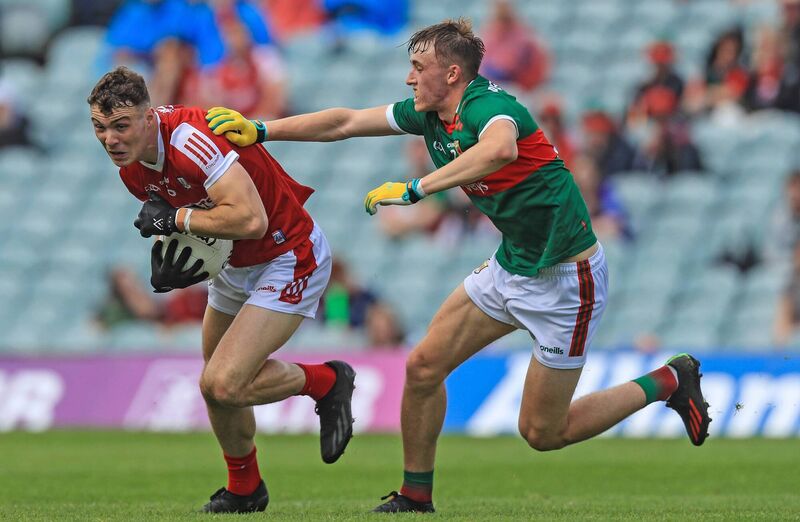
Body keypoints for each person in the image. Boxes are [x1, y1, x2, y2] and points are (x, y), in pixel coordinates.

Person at [206, 19, 711, 513]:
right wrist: (262, 130)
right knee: (423, 367)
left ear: (451, 73)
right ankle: (414, 496)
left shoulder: (490, 106)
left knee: (542, 433)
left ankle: (667, 381)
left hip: (566, 280)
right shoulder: (428, 113)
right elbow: (344, 122)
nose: (409, 78)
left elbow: (499, 149)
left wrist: (416, 187)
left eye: (418, 66)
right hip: (510, 265)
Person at [87, 66, 356, 514]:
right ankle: (246, 488)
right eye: (100, 128)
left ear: (150, 117)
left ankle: (327, 381)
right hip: (235, 266)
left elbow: (251, 220)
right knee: (214, 386)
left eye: (121, 126)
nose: (110, 139)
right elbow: (198, 229)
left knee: (225, 384)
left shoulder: (191, 140)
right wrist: (174, 265)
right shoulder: (132, 169)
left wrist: (174, 222)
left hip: (287, 253)